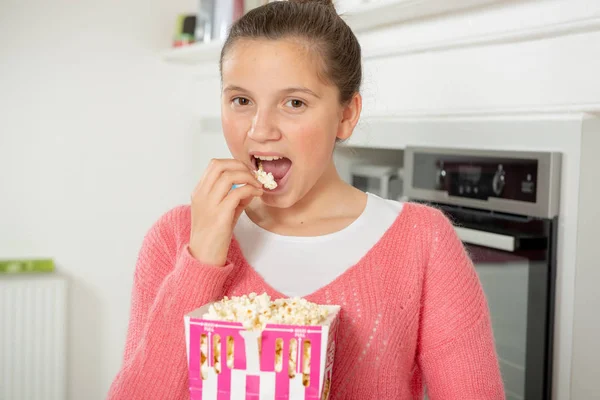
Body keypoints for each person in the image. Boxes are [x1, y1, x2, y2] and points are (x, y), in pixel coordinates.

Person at [108, 0, 505, 398]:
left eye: (293, 102)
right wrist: (201, 263)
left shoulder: (424, 243)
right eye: (241, 101)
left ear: (346, 115)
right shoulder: (175, 238)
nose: (260, 131)